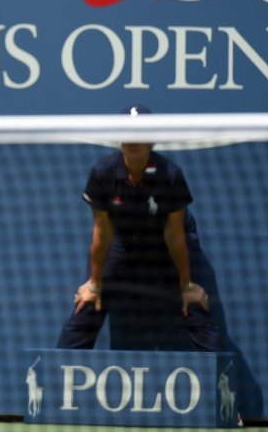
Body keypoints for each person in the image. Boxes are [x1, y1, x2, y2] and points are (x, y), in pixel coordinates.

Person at [56, 104, 221, 353]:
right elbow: (103, 231)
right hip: (122, 241)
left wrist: (186, 285)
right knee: (88, 304)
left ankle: (223, 382)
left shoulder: (170, 175)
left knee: (193, 306)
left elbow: (174, 233)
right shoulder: (103, 174)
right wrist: (94, 283)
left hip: (165, 244)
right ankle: (54, 381)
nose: (133, 139)